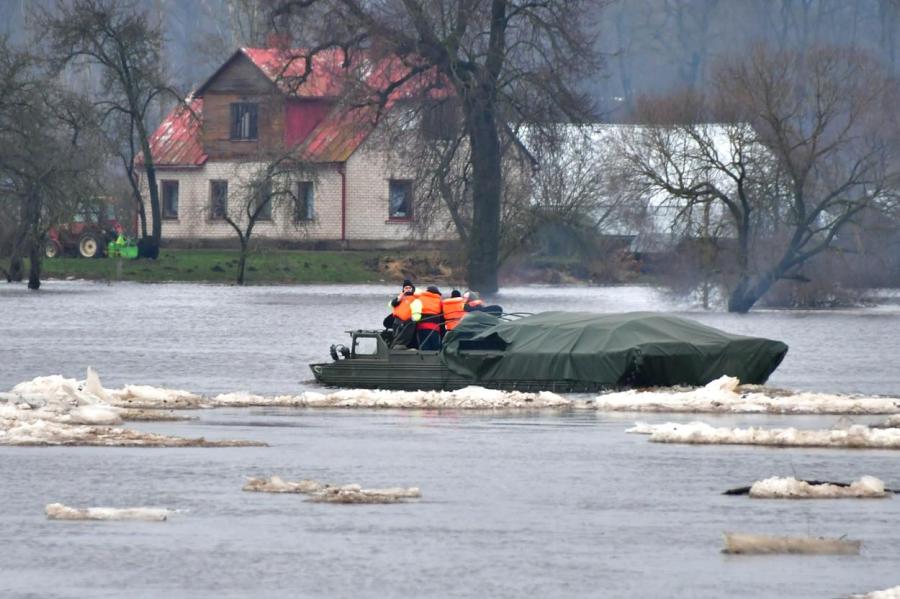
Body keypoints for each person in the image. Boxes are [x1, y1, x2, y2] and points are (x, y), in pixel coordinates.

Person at [386, 279, 417, 349]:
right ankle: (394, 349)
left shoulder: (415, 299)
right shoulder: (400, 297)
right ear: (403, 289)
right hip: (397, 322)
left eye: (409, 288)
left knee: (406, 338)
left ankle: (399, 349)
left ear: (412, 289)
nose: (408, 289)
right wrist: (397, 300)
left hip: (408, 323)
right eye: (406, 288)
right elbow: (391, 304)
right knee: (397, 338)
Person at [410, 285, 443, 350]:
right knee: (435, 348)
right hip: (434, 329)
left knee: (424, 348)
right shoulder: (439, 301)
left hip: (422, 327)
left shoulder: (419, 299)